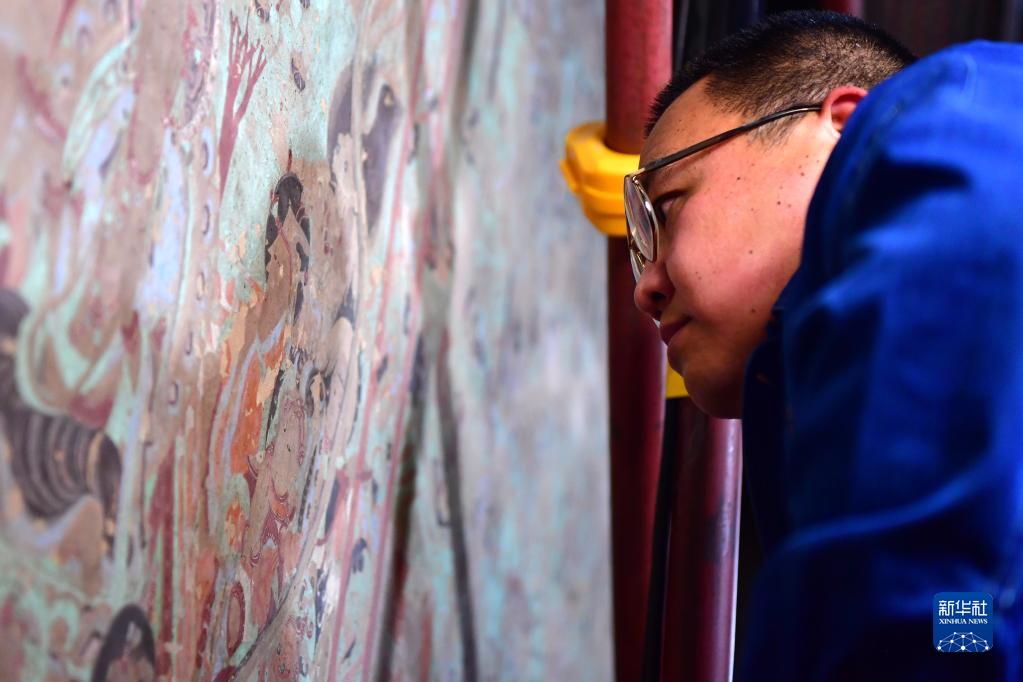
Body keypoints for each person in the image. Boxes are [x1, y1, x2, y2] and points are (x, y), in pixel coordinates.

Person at [629, 10, 1023, 680]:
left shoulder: (954, 126)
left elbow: (916, 594)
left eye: (665, 207)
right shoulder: (807, 402)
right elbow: (962, 620)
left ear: (841, 123)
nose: (647, 286)